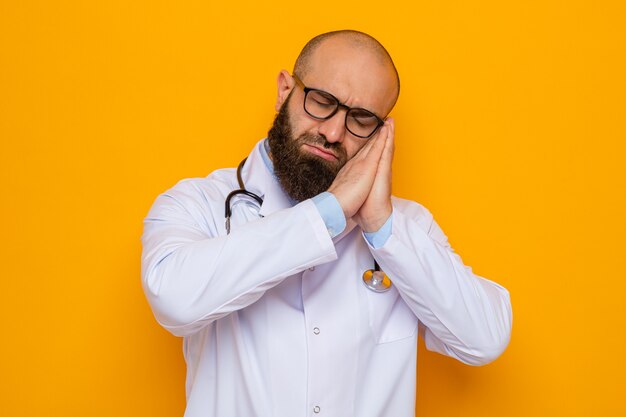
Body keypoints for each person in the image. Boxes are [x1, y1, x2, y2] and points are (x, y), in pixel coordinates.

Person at [141, 30, 512, 417]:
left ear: (381, 133)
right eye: (321, 102)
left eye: (361, 119)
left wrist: (383, 228)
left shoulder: (405, 228)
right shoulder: (196, 204)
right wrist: (329, 213)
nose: (333, 133)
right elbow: (174, 300)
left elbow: (484, 339)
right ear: (286, 90)